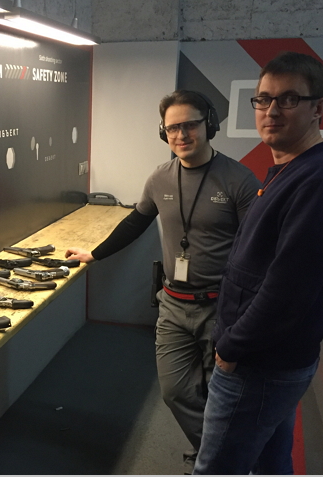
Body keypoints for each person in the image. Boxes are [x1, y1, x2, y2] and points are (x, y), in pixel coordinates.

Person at [66, 90, 260, 474]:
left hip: (221, 306)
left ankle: (215, 462)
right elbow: (136, 221)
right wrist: (95, 254)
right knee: (175, 391)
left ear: (209, 124)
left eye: (190, 125)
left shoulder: (238, 180)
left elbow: (257, 248)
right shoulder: (160, 177)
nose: (181, 135)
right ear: (163, 132)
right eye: (172, 128)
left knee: (219, 395)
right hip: (173, 303)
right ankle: (215, 455)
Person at [193, 52, 323, 474]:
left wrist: (231, 347)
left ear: (318, 108)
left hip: (259, 364)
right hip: (269, 360)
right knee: (270, 462)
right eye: (264, 99)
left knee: (217, 468)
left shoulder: (320, 181)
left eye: (288, 99)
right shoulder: (293, 170)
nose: (271, 111)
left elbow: (288, 291)